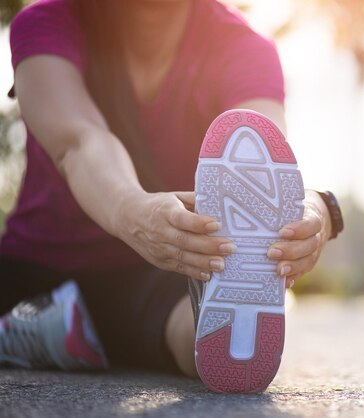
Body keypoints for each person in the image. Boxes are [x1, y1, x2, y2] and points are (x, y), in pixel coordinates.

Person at [0, 0, 343, 393]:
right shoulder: (47, 21)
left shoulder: (245, 48)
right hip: (36, 264)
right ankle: (39, 327)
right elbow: (78, 141)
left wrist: (314, 211)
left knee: (201, 327)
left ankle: (221, 343)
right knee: (164, 302)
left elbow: (263, 169)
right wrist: (134, 211)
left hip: (162, 269)